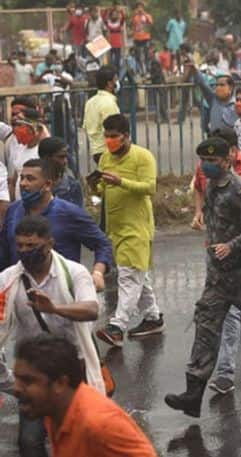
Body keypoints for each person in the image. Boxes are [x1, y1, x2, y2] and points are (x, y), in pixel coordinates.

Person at [165, 137, 241, 416]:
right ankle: (193, 395)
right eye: (203, 160)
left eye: (213, 161)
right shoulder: (210, 188)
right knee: (205, 329)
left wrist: (232, 246)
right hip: (218, 278)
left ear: (226, 160)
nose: (206, 165)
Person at [0, 215, 104, 457]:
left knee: (82, 439)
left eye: (32, 246)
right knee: (30, 442)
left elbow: (91, 309)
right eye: (21, 246)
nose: (25, 252)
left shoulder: (74, 273)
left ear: (49, 244)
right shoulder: (9, 279)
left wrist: (54, 308)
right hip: (34, 374)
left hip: (73, 371)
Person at [12, 334, 156, 456]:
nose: (16, 389)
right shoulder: (53, 411)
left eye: (27, 381)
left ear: (60, 383)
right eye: (16, 379)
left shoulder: (98, 424)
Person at [92, 114, 163, 347]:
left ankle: (117, 326)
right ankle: (153, 317)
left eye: (115, 137)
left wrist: (121, 181)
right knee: (137, 275)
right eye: (107, 136)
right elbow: (102, 189)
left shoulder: (143, 157)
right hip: (116, 227)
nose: (110, 141)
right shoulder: (104, 158)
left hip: (137, 227)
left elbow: (150, 187)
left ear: (126, 136)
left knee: (129, 275)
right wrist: (96, 185)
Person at [0, 158, 111, 291]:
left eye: (30, 179)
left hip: (61, 292)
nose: (23, 184)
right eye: (22, 178)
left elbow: (102, 244)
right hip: (20, 290)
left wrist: (98, 273)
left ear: (47, 185)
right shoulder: (14, 210)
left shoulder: (70, 213)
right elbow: (4, 251)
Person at [83, 65, 120, 164]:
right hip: (109, 152)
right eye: (115, 80)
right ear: (109, 83)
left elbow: (86, 126)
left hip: (96, 151)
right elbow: (114, 131)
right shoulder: (109, 103)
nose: (117, 82)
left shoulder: (90, 102)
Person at [7, 110, 47, 202]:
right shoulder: (19, 149)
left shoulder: (42, 151)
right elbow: (14, 181)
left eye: (22, 126)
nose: (18, 130)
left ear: (35, 129)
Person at [187, 63, 237, 133]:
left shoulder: (237, 105)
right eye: (217, 85)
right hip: (215, 140)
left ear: (230, 88)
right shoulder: (213, 100)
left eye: (222, 85)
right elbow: (203, 84)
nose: (218, 87)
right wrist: (195, 70)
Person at [38, 137, 83, 208]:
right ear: (46, 158)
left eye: (66, 157)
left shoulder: (72, 186)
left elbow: (78, 215)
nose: (65, 161)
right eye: (61, 157)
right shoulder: (33, 184)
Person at [131, 2, 154, 71]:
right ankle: (141, 70)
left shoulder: (147, 15)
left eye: (141, 7)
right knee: (138, 55)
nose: (140, 8)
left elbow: (150, 22)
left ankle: (148, 69)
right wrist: (134, 14)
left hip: (145, 37)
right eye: (138, 7)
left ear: (143, 8)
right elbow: (132, 24)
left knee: (146, 54)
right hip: (137, 38)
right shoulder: (135, 16)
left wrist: (144, 13)